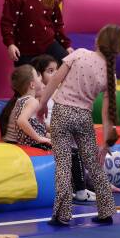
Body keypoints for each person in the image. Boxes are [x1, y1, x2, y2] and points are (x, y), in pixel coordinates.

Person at [38, 25, 120, 226]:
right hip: (84, 117)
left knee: (63, 164)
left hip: (62, 112)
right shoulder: (110, 75)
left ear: (97, 41)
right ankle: (106, 211)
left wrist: (42, 105)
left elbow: (54, 81)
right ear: (118, 50)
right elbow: (107, 114)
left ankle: (62, 214)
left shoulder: (79, 55)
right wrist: (106, 143)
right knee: (93, 164)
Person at [30, 55, 98, 201]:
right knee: (74, 150)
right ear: (39, 76)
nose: (55, 74)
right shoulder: (38, 97)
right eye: (50, 71)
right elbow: (37, 122)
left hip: (58, 130)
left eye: (57, 70)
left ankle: (90, 185)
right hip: (49, 133)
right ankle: (81, 190)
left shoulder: (60, 92)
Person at [0, 0, 73, 66]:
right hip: (25, 50)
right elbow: (7, 24)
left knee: (68, 65)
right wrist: (10, 44)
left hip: (49, 45)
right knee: (28, 81)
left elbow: (58, 24)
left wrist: (66, 45)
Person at [0, 65, 49, 149]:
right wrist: (39, 138)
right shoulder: (32, 101)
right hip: (16, 143)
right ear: (32, 85)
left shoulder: (20, 100)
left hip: (10, 142)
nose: (40, 78)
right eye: (37, 76)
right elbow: (21, 121)